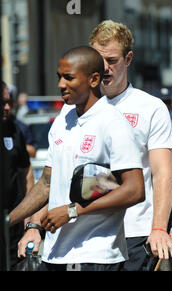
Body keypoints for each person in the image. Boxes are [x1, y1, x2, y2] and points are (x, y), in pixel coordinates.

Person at [8, 46, 145, 271]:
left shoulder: (114, 123)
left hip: (97, 257)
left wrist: (73, 210)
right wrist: (9, 220)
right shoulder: (63, 120)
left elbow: (135, 190)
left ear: (93, 79)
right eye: (59, 77)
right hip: (54, 255)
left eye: (68, 77)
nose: (61, 84)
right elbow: (46, 183)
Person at [89, 20, 172, 270]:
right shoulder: (75, 109)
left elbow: (162, 174)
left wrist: (159, 227)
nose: (104, 67)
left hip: (135, 232)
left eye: (112, 60)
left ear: (128, 59)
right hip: (87, 234)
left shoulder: (151, 108)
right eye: (98, 59)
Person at [1, 81, 34, 270]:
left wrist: (28, 215)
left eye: (9, 102)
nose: (7, 107)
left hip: (13, 220)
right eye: (2, 102)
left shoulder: (15, 131)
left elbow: (26, 173)